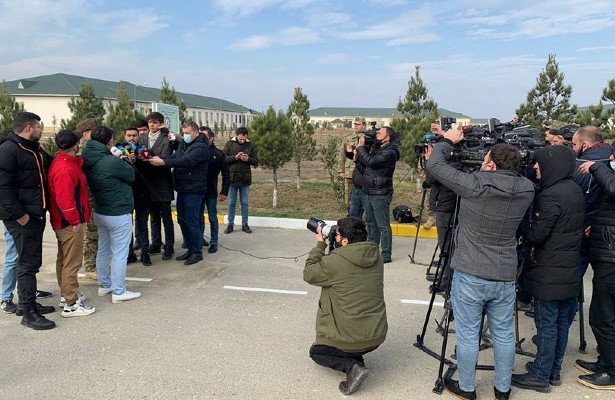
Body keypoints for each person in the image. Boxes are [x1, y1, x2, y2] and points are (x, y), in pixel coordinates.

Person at [426, 131, 535, 400]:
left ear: (491, 165)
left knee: (467, 334)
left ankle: (467, 388)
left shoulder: (475, 185)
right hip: (504, 273)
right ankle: (502, 389)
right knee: (504, 334)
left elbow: (435, 165)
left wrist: (448, 140)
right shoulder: (526, 189)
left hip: (471, 273)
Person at [511, 146, 584, 392]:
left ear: (551, 166)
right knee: (562, 324)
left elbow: (537, 234)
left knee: (547, 325)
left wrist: (522, 224)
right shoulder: (574, 189)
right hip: (570, 270)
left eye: (539, 165)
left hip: (549, 273)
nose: (535, 169)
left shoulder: (552, 195)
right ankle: (553, 371)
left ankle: (540, 375)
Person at [304, 216, 387, 395]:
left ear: (345, 240)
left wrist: (320, 245)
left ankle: (352, 366)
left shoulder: (334, 262)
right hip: (376, 336)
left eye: (337, 234)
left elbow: (309, 273)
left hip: (352, 338)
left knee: (317, 352)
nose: (334, 236)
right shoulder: (377, 257)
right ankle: (357, 360)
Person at [0, 112, 56, 329]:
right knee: (27, 264)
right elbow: (2, 188)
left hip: (36, 212)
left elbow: (50, 164)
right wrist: (19, 214)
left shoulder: (34, 148)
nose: (41, 130)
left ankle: (27, 303)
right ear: (29, 128)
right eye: (39, 127)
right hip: (22, 217)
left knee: (31, 261)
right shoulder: (8, 150)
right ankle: (28, 313)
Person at [82, 126, 141, 303]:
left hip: (100, 209)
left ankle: (104, 285)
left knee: (104, 250)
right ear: (110, 141)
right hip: (118, 211)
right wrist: (121, 159)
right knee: (120, 253)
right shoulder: (110, 160)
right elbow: (131, 175)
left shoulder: (87, 156)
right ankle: (119, 291)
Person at [576, 152, 615, 390]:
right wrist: (598, 226)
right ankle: (606, 362)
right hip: (607, 250)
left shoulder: (605, 173)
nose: (610, 157)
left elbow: (613, 188)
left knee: (603, 317)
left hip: (612, 260)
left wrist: (596, 168)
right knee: (606, 315)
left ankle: (611, 372)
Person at [48, 130, 96, 317]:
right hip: (68, 222)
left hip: (63, 221)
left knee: (64, 259)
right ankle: (71, 303)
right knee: (72, 262)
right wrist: (75, 221)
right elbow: (65, 199)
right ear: (75, 145)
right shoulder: (65, 168)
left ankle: (66, 294)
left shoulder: (63, 163)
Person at [148, 122, 209, 265]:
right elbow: (176, 157)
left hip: (194, 189)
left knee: (192, 220)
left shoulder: (201, 147)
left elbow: (185, 160)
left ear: (196, 132)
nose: (185, 135)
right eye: (184, 133)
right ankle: (190, 248)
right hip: (183, 187)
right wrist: (161, 160)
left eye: (188, 133)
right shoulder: (185, 144)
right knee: (182, 219)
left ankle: (196, 252)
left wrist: (163, 162)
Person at [355, 126, 399, 263]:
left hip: (380, 192)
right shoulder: (377, 148)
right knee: (371, 223)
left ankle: (386, 255)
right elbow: (366, 168)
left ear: (387, 137)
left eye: (379, 133)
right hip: (368, 191)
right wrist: (356, 158)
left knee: (383, 225)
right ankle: (371, 250)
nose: (376, 134)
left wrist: (361, 148)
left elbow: (372, 162)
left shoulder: (391, 151)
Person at [141, 112, 175, 260]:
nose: (152, 125)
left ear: (160, 124)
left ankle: (169, 246)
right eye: (150, 122)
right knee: (153, 217)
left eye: (155, 122)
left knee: (166, 217)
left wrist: (149, 157)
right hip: (148, 183)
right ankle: (155, 243)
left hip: (162, 182)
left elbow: (165, 157)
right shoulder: (142, 138)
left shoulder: (166, 138)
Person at [76, 117, 101, 280]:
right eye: (95, 132)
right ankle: (90, 266)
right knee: (91, 233)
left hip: (97, 197)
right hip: (89, 199)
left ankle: (96, 263)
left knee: (97, 232)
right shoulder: (82, 153)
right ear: (86, 134)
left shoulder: (94, 150)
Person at [200, 126, 229, 254]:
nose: (201, 139)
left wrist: (224, 192)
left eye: (204, 136)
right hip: (197, 191)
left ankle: (214, 241)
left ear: (211, 138)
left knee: (212, 217)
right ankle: (199, 239)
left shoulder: (218, 154)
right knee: (197, 216)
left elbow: (226, 174)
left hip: (211, 191)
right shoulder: (194, 151)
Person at [223, 126, 258, 234]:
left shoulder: (250, 145)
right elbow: (224, 159)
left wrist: (248, 159)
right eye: (240, 139)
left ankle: (245, 224)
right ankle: (230, 224)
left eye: (244, 139)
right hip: (232, 178)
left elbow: (256, 160)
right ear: (237, 135)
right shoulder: (229, 144)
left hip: (245, 179)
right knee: (231, 203)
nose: (242, 141)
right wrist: (235, 157)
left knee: (245, 203)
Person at [339, 117, 366, 217]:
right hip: (350, 172)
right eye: (355, 124)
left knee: (362, 196)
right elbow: (342, 154)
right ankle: (350, 216)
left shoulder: (368, 137)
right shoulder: (348, 138)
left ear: (364, 125)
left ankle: (360, 215)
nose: (356, 126)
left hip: (363, 173)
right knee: (349, 197)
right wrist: (340, 170)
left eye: (358, 124)